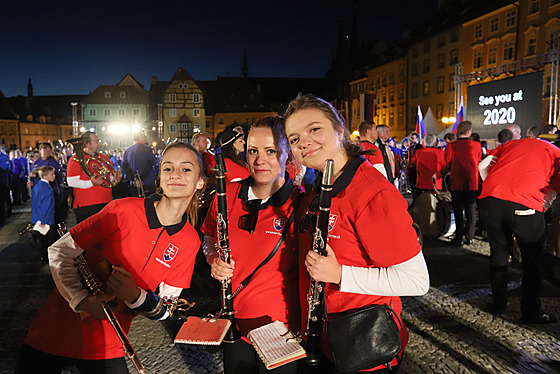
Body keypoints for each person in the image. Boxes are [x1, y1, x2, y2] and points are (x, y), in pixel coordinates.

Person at [15, 142, 206, 374]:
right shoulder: (121, 210)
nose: (175, 175)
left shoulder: (190, 240)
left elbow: (166, 307)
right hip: (54, 329)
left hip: (108, 342)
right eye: (168, 168)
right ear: (159, 177)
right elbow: (60, 250)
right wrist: (82, 300)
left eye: (186, 169)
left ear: (200, 182)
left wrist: (136, 296)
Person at [284, 94, 430, 373]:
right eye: (294, 138)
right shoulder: (322, 185)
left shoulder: (372, 192)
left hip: (362, 349)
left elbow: (416, 281)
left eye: (314, 129)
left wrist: (340, 275)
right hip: (325, 342)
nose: (303, 142)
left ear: (339, 129)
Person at [201, 116, 302, 374]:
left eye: (271, 151)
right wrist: (213, 258)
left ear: (287, 153)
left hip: (282, 329)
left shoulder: (302, 204)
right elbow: (209, 237)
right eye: (253, 151)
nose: (259, 160)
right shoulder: (227, 195)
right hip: (234, 324)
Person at [478, 138, 560, 323]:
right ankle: (530, 312)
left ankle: (498, 304)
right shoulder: (556, 154)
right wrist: (539, 207)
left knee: (499, 253)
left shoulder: (513, 143)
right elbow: (552, 191)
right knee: (532, 260)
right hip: (523, 202)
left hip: (490, 198)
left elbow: (484, 164)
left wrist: (493, 187)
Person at [440, 121, 482, 246]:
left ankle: (458, 238)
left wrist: (440, 174)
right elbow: (478, 161)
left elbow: (447, 164)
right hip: (472, 182)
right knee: (471, 210)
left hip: (457, 183)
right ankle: (469, 236)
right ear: (469, 131)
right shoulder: (477, 146)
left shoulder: (452, 146)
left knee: (458, 211)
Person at [67, 131, 122, 223]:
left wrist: (115, 178)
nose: (99, 143)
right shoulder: (75, 159)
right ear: (87, 143)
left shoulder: (103, 157)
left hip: (105, 203)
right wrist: (91, 183)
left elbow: (109, 178)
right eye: (96, 141)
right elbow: (71, 181)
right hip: (86, 206)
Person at [30, 166, 57, 260]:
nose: (54, 176)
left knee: (41, 242)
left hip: (36, 217)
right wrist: (43, 221)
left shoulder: (37, 186)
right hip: (47, 219)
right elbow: (46, 207)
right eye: (52, 174)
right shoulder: (48, 189)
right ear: (45, 176)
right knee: (49, 242)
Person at [408, 134, 445, 200]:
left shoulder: (418, 152)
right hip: (436, 184)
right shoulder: (441, 152)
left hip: (421, 183)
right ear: (435, 142)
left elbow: (412, 166)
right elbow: (445, 167)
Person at [122, 130, 158, 197]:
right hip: (148, 183)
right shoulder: (147, 149)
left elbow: (124, 167)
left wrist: (133, 178)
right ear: (140, 137)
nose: (146, 137)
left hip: (134, 184)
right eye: (144, 136)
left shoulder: (127, 151)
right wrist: (141, 178)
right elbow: (150, 164)